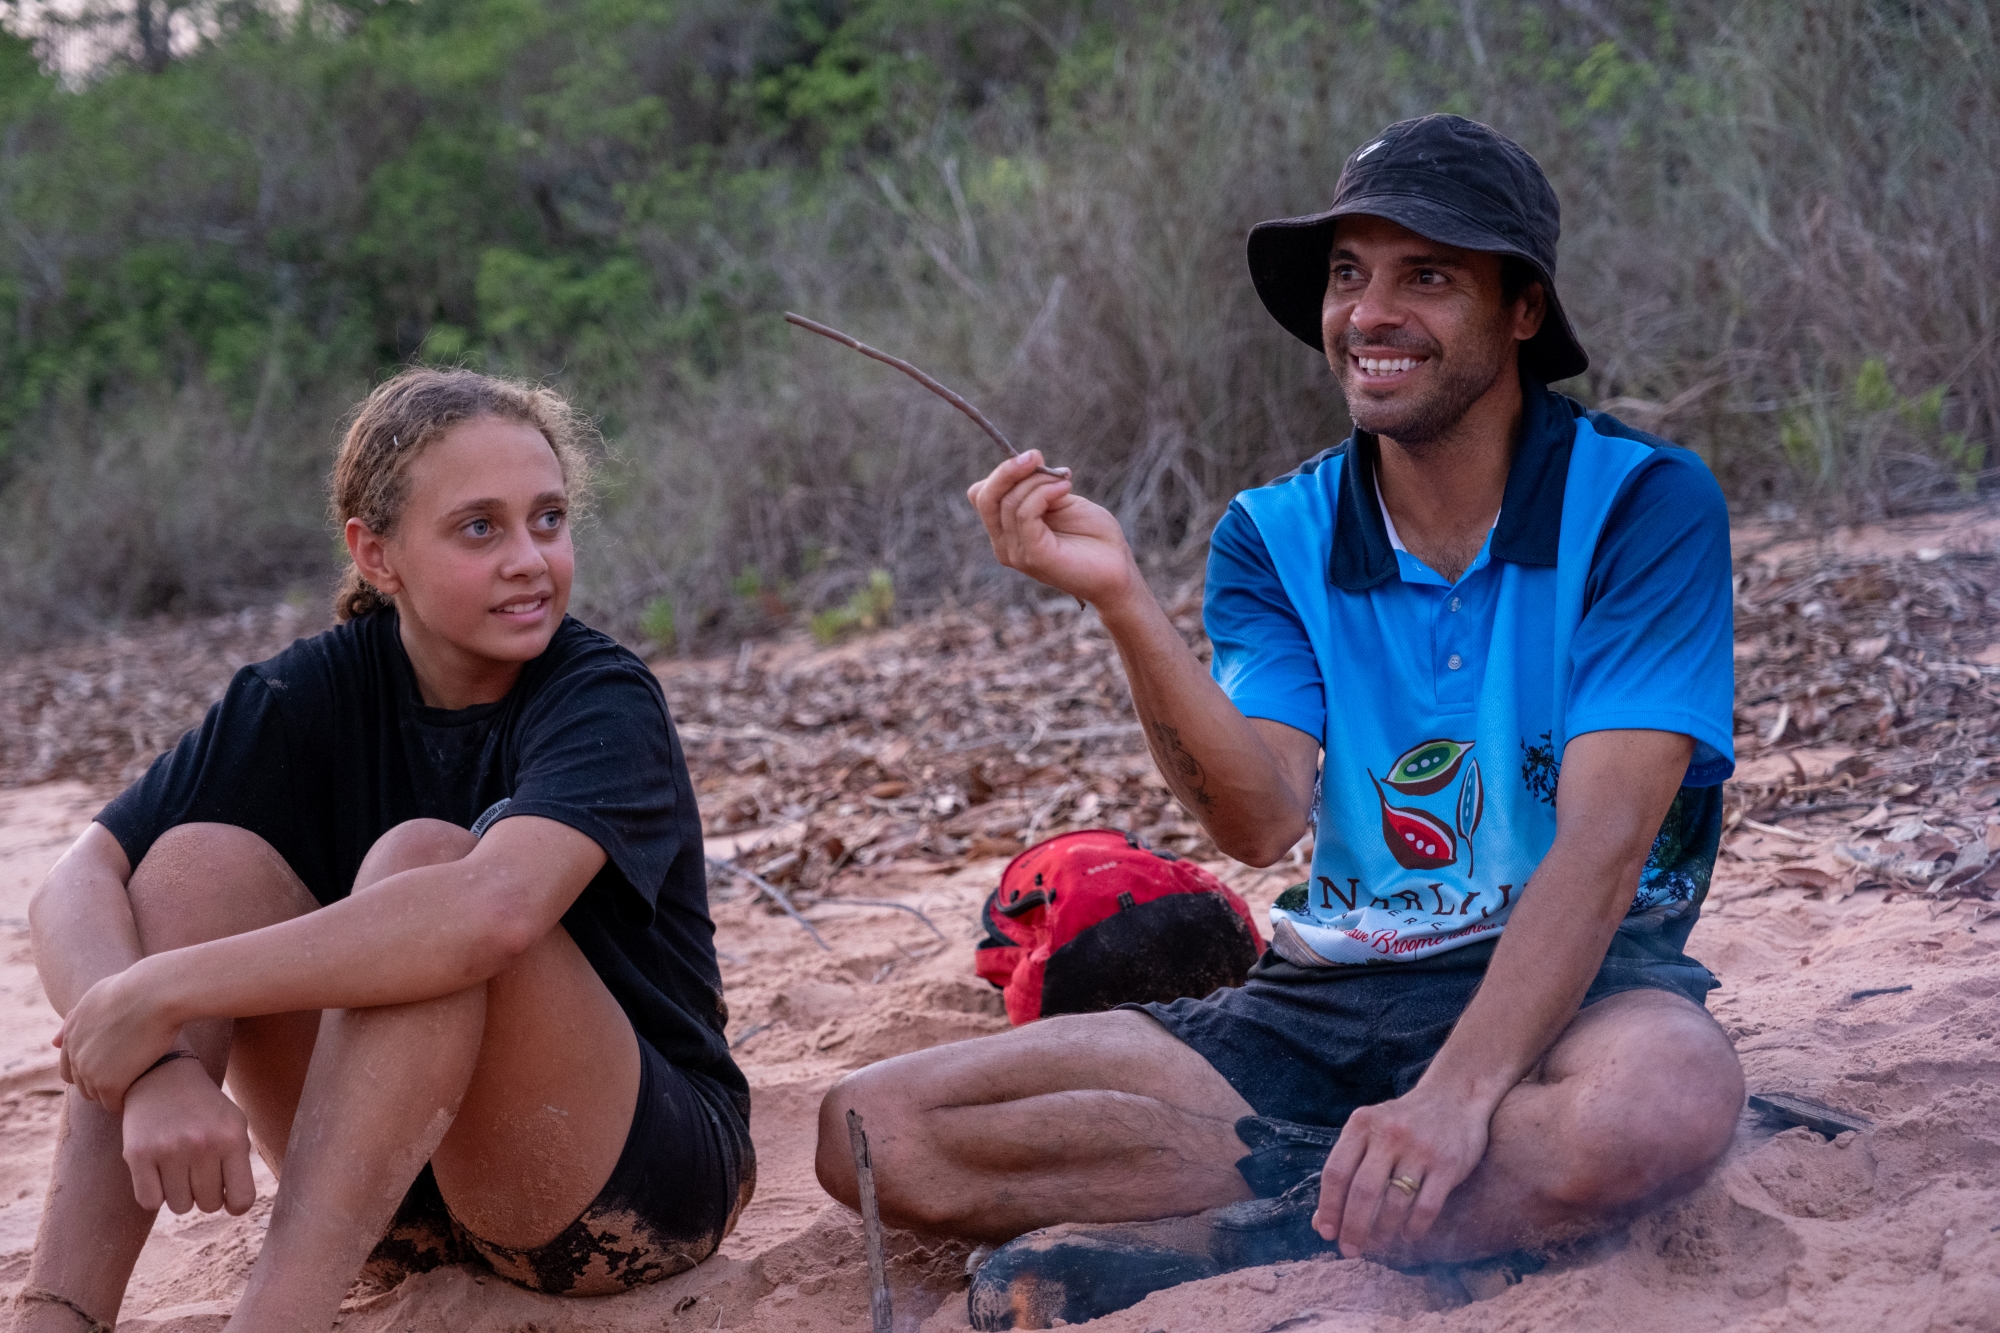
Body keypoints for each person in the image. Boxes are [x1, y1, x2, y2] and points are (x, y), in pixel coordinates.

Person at [816, 114, 1744, 1326]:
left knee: (1659, 1102)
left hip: (1583, 991)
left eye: (1427, 276)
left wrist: (1456, 1094)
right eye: (1348, 274)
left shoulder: (1642, 502)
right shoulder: (1273, 533)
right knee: (868, 1131)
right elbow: (1256, 822)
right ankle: (1328, 1200)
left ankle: (1237, 1235)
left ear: (1521, 310)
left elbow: (1604, 843)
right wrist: (1123, 602)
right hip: (1325, 998)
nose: (1369, 312)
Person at [17, 369, 751, 1332]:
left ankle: (275, 1318)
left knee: (424, 871)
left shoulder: (601, 696)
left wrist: (166, 992)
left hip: (626, 1185)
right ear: (377, 555)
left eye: (550, 518)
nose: (531, 559)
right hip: (395, 1201)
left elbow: (492, 912)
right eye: (479, 528)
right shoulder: (305, 692)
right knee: (195, 863)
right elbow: (77, 880)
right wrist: (152, 1063)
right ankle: (57, 1314)